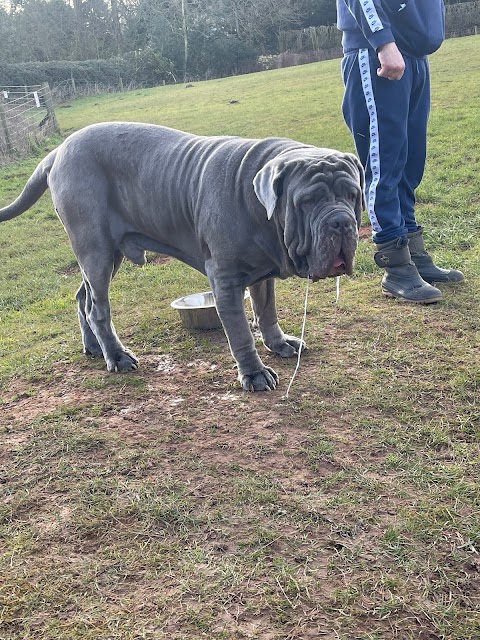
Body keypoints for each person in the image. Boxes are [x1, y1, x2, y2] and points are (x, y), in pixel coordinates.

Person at [336, 0, 464, 303]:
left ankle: (414, 254)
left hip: (415, 55)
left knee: (410, 162)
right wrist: (383, 41)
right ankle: (395, 264)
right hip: (379, 53)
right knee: (385, 162)